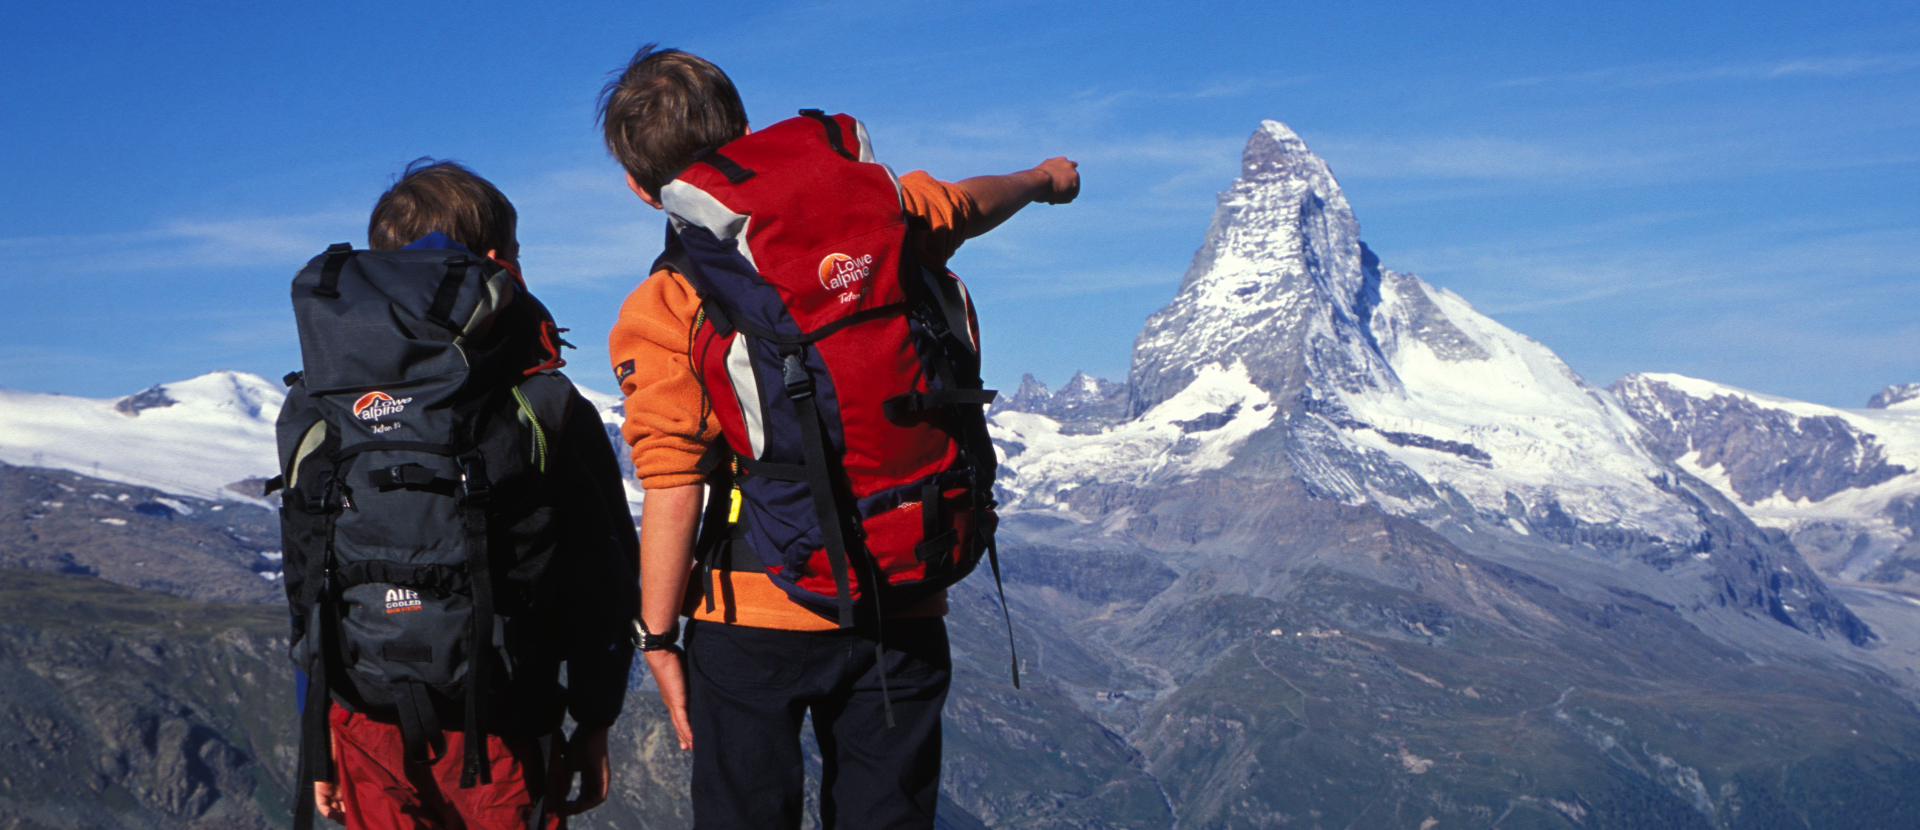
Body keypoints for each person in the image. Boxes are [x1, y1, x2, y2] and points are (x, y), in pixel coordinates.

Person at [599, 46, 1078, 829]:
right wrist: (1046, 179)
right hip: (906, 590)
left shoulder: (666, 303)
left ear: (638, 187)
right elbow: (969, 203)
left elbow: (673, 482)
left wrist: (657, 637)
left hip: (751, 616)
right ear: (746, 133)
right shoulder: (884, 213)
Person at [305, 160, 638, 830]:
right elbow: (602, 577)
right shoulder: (543, 402)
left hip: (364, 725)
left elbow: (308, 580)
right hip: (504, 729)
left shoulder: (318, 405)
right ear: (496, 267)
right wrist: (596, 719)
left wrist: (318, 742)